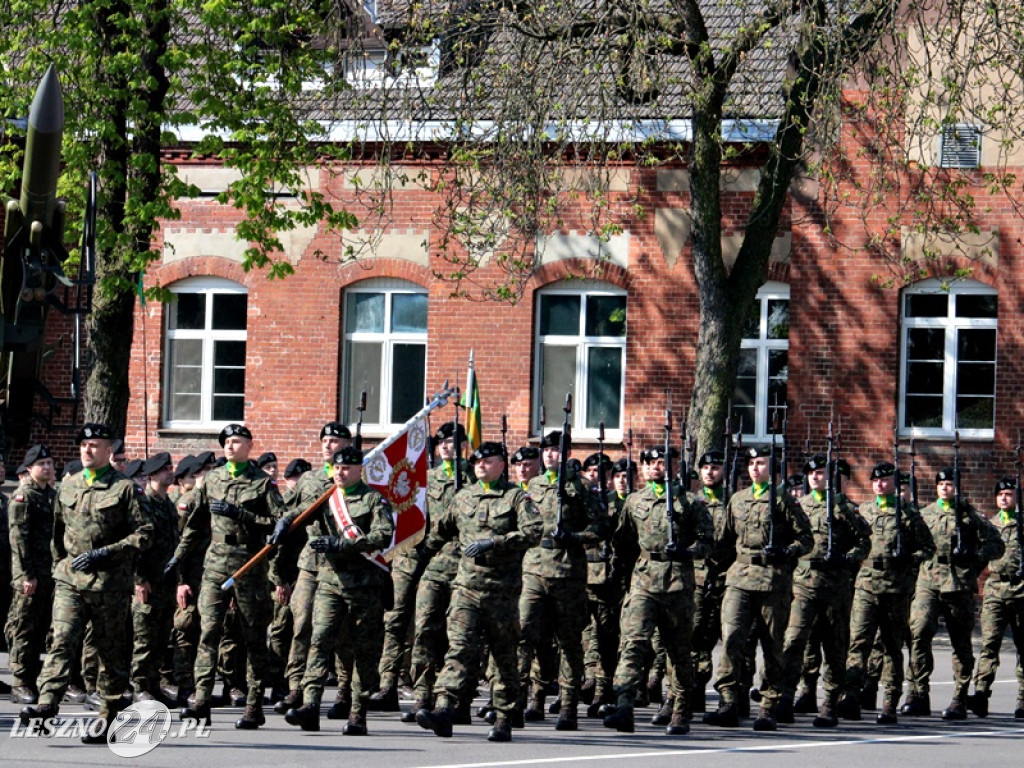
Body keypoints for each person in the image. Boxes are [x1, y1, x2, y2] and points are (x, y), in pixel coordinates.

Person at [18, 424, 153, 745]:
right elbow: (57, 535)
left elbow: (144, 533)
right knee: (62, 638)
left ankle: (107, 714)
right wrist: (60, 568)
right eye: (84, 446)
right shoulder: (68, 487)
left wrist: (106, 553)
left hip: (110, 584)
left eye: (95, 445)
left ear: (109, 451)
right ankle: (46, 703)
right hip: (71, 580)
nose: (87, 451)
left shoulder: (125, 489)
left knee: (109, 651)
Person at [416, 441, 542, 742]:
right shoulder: (464, 497)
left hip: (501, 591)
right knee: (458, 648)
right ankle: (445, 709)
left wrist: (496, 542)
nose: (481, 465)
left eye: (488, 461)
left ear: (502, 464)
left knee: (503, 655)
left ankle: (503, 718)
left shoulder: (515, 497)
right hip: (466, 588)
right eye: (477, 462)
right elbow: (440, 531)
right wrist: (412, 554)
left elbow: (534, 532)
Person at [174, 423, 287, 729]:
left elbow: (280, 523)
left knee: (252, 636)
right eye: (226, 442)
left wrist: (244, 516)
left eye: (237, 441)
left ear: (249, 446)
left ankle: (253, 704)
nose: (230, 446)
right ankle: (201, 700)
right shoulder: (212, 479)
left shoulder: (262, 484)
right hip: (215, 565)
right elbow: (196, 524)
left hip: (248, 566)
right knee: (208, 631)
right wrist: (180, 556)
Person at [282, 445, 395, 734]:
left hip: (364, 587)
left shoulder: (373, 500)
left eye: (346, 468)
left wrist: (345, 544)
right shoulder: (328, 497)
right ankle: (310, 705)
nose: (340, 473)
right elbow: (301, 512)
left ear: (359, 470)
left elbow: (383, 535)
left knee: (362, 649)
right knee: (319, 642)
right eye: (336, 468)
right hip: (329, 583)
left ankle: (358, 714)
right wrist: (285, 521)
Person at [602, 445, 713, 735]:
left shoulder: (689, 502)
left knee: (678, 651)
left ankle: (680, 711)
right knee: (633, 643)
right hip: (644, 581)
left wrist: (687, 551)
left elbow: (708, 542)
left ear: (674, 466)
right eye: (649, 462)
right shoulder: (635, 501)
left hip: (677, 582)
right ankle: (624, 706)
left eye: (661, 462)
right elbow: (623, 542)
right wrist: (621, 574)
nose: (654, 466)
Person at [704, 444, 813, 731]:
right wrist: (710, 566)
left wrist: (787, 552)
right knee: (732, 638)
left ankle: (768, 705)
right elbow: (724, 541)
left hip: (771, 580)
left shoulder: (784, 501)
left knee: (773, 646)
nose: (755, 468)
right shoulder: (737, 500)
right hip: (739, 577)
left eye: (761, 463)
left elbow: (806, 540)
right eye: (752, 463)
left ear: (771, 468)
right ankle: (728, 700)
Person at [518, 430, 608, 730]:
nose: (548, 455)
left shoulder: (582, 486)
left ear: (566, 452)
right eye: (544, 450)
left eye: (555, 450)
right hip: (534, 568)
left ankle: (568, 705)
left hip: (568, 571)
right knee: (528, 633)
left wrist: (574, 536)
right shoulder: (535, 484)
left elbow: (601, 526)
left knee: (569, 641)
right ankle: (532, 697)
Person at [836, 461, 935, 724]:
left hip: (895, 587)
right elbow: (852, 542)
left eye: (885, 480)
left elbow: (927, 548)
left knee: (892, 646)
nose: (880, 484)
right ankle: (851, 696)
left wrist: (909, 557)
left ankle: (890, 702)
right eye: (876, 481)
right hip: (866, 584)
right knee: (858, 642)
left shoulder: (908, 513)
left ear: (894, 482)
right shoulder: (863, 510)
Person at [779, 453, 870, 727]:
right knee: (795, 641)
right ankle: (785, 697)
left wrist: (845, 558)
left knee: (835, 646)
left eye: (820, 472)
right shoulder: (798, 506)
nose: (815, 477)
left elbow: (863, 544)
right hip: (803, 583)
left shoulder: (846, 509)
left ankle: (830, 701)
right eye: (811, 473)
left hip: (836, 586)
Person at [904, 466, 1003, 719]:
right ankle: (919, 694)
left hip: (958, 585)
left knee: (961, 644)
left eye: (949, 483)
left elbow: (996, 544)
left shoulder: (970, 516)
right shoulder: (924, 514)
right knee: (919, 633)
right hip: (928, 583)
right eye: (941, 484)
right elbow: (908, 544)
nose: (945, 487)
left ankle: (959, 698)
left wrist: (973, 559)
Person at [273, 422, 354, 718]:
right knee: (302, 621)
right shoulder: (310, 479)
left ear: (347, 444)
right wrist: (280, 573)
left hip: (344, 562)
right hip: (311, 562)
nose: (328, 445)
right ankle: (297, 686)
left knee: (343, 630)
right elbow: (290, 517)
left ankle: (345, 690)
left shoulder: (359, 476)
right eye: (324, 440)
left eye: (334, 440)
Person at [403, 422, 471, 722]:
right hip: (434, 563)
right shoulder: (426, 480)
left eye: (454, 442)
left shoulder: (474, 478)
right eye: (442, 442)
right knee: (426, 629)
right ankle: (423, 696)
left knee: (462, 636)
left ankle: (459, 700)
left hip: (468, 567)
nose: (448, 447)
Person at [967, 476, 1024, 719]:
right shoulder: (989, 526)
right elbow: (979, 559)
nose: (1004, 498)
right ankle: (981, 694)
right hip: (995, 591)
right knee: (989, 645)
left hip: (1021, 590)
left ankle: (1023, 699)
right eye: (1000, 495)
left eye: (1009, 494)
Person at [5, 445, 57, 705]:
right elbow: (19, 539)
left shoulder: (51, 495)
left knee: (41, 628)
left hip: (50, 572)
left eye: (49, 463)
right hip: (30, 574)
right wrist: (27, 574)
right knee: (24, 626)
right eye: (41, 464)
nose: (47, 467)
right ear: (30, 469)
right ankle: (20, 682)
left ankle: (34, 676)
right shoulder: (24, 496)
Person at [131, 452, 180, 702]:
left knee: (162, 636)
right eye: (165, 469)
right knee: (145, 637)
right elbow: (137, 546)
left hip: (166, 581)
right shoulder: (145, 503)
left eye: (170, 468)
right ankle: (139, 686)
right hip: (148, 581)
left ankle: (154, 683)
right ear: (151, 475)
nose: (170, 472)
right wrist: (139, 579)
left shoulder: (168, 504)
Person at [689, 451, 735, 715]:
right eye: (705, 468)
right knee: (697, 637)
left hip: (727, 579)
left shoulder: (734, 503)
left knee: (731, 640)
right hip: (698, 579)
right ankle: (694, 690)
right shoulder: (694, 503)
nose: (709, 472)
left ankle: (730, 697)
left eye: (715, 467)